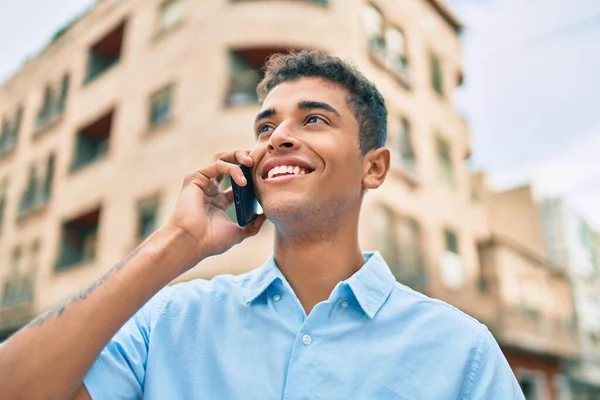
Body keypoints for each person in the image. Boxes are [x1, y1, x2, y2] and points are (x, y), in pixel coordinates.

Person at [0, 50, 524, 399]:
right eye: (267, 125)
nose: (278, 137)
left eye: (314, 119)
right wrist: (176, 244)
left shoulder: (462, 351)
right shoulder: (168, 322)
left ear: (374, 166)